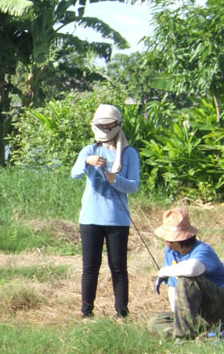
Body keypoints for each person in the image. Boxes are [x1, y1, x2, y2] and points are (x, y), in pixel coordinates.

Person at [71, 104, 140, 319]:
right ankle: (86, 313)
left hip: (117, 220)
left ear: (116, 125)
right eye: (100, 124)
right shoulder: (90, 149)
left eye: (108, 124)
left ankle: (122, 313)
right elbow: (74, 173)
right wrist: (87, 162)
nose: (104, 128)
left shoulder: (129, 154)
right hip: (90, 219)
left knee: (118, 268)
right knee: (90, 268)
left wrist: (114, 179)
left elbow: (133, 186)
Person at [148, 207, 224, 339]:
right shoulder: (170, 251)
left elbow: (193, 269)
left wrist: (165, 271)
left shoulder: (202, 250)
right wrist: (180, 319)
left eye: (168, 239)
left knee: (186, 280)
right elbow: (173, 286)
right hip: (198, 314)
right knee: (155, 322)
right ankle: (203, 334)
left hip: (218, 306)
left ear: (180, 239)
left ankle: (184, 338)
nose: (165, 242)